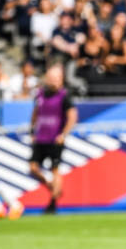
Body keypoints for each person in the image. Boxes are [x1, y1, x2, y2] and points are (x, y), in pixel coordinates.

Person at [29, 65, 78, 214]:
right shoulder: (40, 94)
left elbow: (72, 117)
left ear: (61, 79)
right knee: (33, 168)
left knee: (55, 169)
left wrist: (63, 134)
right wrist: (32, 130)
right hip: (41, 138)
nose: (53, 81)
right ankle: (52, 187)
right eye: (51, 78)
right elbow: (36, 113)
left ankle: (53, 203)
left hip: (55, 139)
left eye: (56, 78)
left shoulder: (65, 96)